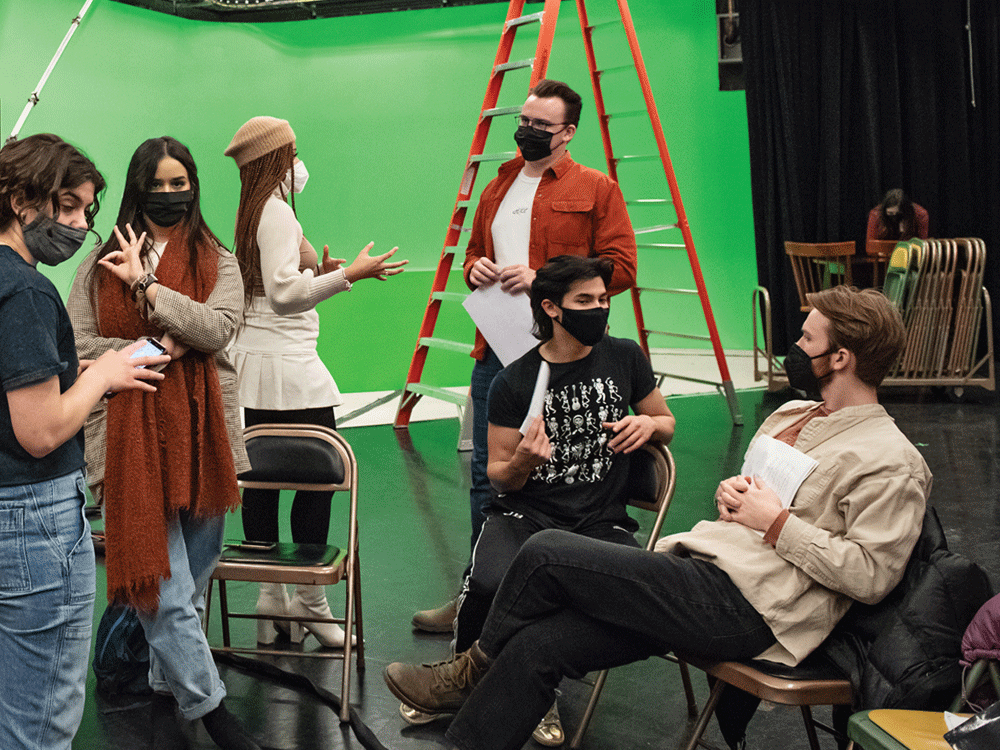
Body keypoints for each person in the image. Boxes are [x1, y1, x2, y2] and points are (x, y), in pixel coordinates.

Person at [385, 285, 931, 750]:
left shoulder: (891, 460)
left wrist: (776, 523)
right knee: (538, 647)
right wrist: (735, 497)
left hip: (749, 608)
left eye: (807, 340)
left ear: (842, 358)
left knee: (547, 552)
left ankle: (468, 670)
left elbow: (871, 576)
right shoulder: (791, 414)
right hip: (700, 573)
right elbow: (754, 505)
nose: (794, 348)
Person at [402, 256, 673, 742]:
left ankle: (530, 690)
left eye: (603, 300)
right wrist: (525, 460)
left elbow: (665, 419)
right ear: (551, 308)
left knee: (633, 597)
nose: (600, 309)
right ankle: (454, 683)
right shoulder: (514, 381)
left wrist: (650, 424)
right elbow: (500, 478)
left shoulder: (625, 356)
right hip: (526, 515)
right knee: (487, 582)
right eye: (585, 301)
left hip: (599, 521)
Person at [412, 78, 638, 635]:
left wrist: (547, 277)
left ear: (568, 133)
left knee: (555, 476)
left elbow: (623, 267)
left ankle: (544, 600)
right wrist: (475, 269)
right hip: (497, 352)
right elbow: (473, 253)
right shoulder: (499, 183)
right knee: (488, 479)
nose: (528, 131)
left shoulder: (596, 188)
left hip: (564, 356)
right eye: (525, 120)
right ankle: (477, 594)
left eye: (542, 125)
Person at [67, 137, 259, 750]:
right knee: (165, 591)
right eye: (161, 183)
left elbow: (218, 328)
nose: (172, 194)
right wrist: (151, 351)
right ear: (138, 186)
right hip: (126, 444)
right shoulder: (101, 260)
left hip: (204, 445)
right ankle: (214, 712)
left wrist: (150, 291)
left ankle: (162, 690)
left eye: (182, 183)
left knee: (190, 586)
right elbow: (74, 345)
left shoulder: (218, 258)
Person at [0, 133, 168, 750]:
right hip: (31, 522)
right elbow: (40, 431)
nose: (75, 224)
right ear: (21, 200)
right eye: (64, 205)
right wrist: (102, 374)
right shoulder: (24, 291)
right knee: (39, 720)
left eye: (85, 210)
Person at [224, 116, 406, 649]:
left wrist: (316, 275)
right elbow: (282, 296)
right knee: (316, 481)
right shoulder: (277, 212)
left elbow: (271, 289)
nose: (299, 161)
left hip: (258, 369)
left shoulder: (252, 212)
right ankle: (311, 600)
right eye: (294, 151)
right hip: (290, 371)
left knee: (259, 484)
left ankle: (270, 599)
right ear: (276, 158)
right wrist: (352, 273)